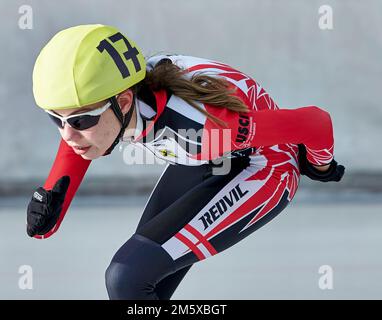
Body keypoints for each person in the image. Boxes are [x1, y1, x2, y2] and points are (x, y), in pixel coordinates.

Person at [27, 24, 345, 300]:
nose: (68, 135)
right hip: (207, 159)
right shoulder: (123, 101)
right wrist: (55, 196)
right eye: (56, 120)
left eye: (81, 122)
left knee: (127, 277)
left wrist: (320, 164)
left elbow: (314, 122)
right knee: (138, 283)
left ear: (124, 102)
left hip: (265, 166)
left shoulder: (199, 129)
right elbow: (80, 135)